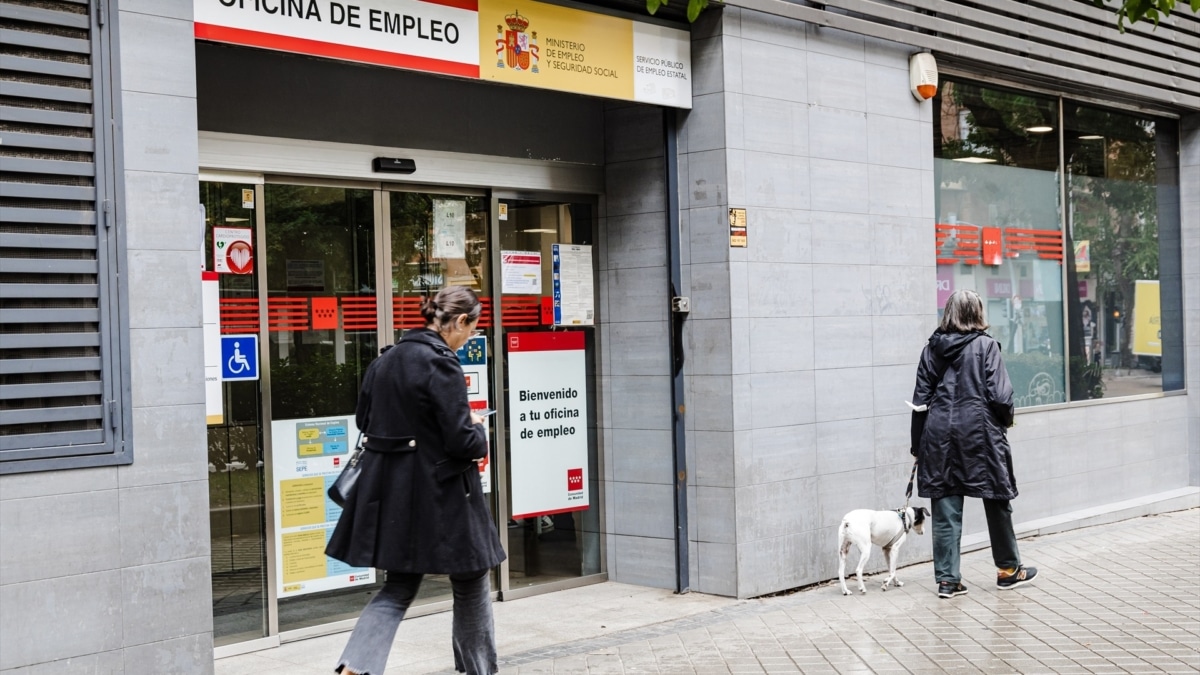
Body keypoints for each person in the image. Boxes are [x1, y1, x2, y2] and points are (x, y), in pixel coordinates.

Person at [326, 286, 504, 675]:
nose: (469, 339)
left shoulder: (386, 360)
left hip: (391, 493)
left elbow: (364, 421)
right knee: (472, 576)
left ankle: (355, 666)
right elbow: (462, 442)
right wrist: (478, 429)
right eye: (471, 331)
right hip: (442, 496)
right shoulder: (441, 363)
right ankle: (480, 670)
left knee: (400, 584)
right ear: (458, 322)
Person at [910, 289, 1037, 599]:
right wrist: (1004, 423)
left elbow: (919, 403)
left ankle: (948, 581)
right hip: (981, 434)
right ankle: (1008, 570)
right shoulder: (986, 347)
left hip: (938, 436)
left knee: (945, 506)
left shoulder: (931, 349)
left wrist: (918, 446)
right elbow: (1001, 397)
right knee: (996, 500)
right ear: (977, 313)